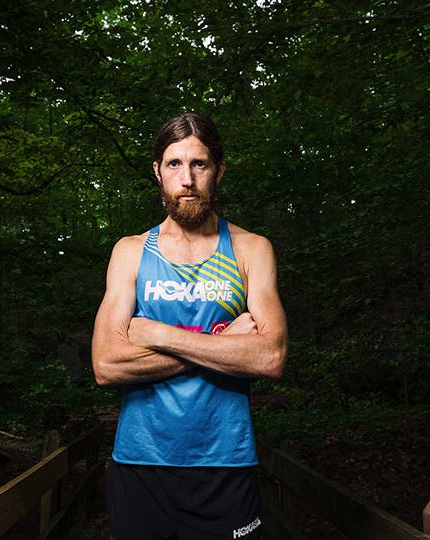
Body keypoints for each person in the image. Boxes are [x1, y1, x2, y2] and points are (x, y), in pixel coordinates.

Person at [91, 112, 287, 540]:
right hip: (140, 465)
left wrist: (155, 334)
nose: (188, 179)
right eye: (175, 164)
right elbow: (107, 364)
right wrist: (223, 344)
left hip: (226, 465)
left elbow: (269, 356)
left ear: (218, 170)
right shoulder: (130, 252)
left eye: (199, 164)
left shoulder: (252, 250)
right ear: (158, 171)